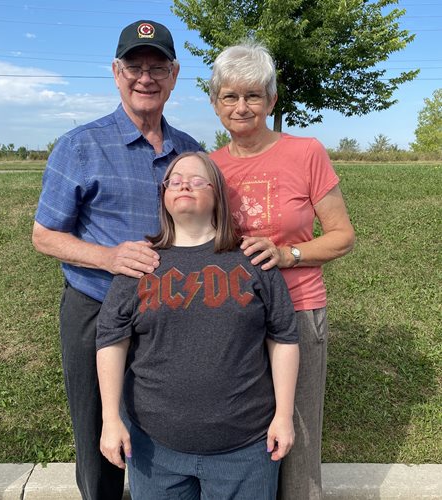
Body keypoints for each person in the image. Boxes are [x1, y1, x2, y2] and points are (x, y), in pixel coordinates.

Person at [31, 20, 202, 500]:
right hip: (96, 308)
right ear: (115, 71)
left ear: (174, 75)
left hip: (169, 314)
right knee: (98, 434)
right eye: (134, 66)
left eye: (157, 67)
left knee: (158, 426)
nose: (145, 77)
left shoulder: (189, 151)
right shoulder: (80, 145)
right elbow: (44, 236)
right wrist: (108, 257)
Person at [96, 151, 300, 500]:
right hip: (155, 451)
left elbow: (283, 337)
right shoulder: (140, 264)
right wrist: (110, 420)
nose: (183, 185)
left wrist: (284, 415)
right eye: (174, 181)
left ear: (217, 194)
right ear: (163, 196)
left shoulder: (252, 260)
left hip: (246, 449)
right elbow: (112, 341)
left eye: (196, 180)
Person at [209, 42, 355, 500]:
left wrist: (289, 255)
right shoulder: (210, 166)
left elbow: (342, 235)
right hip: (236, 315)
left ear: (272, 101)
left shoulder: (306, 152)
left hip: (298, 308)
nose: (241, 106)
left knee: (299, 429)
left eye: (253, 95)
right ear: (215, 104)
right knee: (245, 428)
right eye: (229, 96)